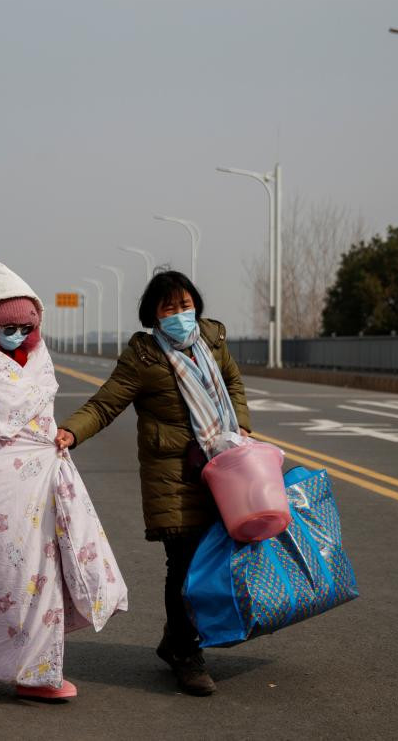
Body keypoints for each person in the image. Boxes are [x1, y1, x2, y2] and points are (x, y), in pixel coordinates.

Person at [0, 260, 127, 701]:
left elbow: (38, 422)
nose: (16, 334)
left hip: (31, 490)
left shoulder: (39, 360)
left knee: (34, 577)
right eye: (5, 326)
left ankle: (34, 672)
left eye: (24, 326)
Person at [54, 270, 250, 697]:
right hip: (174, 477)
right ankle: (186, 653)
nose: (180, 315)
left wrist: (244, 428)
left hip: (226, 468)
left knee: (216, 560)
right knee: (183, 564)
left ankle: (176, 640)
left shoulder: (213, 341)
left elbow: (232, 383)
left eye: (185, 305)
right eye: (169, 308)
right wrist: (70, 432)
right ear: (154, 316)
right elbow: (106, 402)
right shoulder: (144, 357)